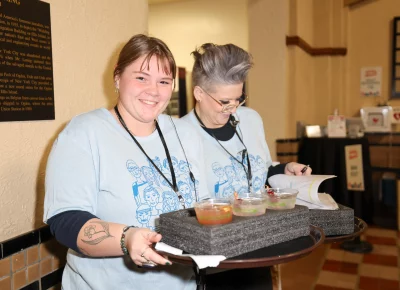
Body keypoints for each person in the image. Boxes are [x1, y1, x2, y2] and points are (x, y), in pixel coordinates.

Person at [43, 34, 208, 290]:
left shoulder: (184, 134)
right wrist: (126, 237)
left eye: (163, 81)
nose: (153, 91)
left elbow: (203, 206)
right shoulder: (84, 133)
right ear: (117, 77)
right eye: (141, 77)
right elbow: (65, 220)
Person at [182, 43, 312, 290]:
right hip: (214, 262)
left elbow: (260, 167)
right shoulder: (179, 135)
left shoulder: (251, 120)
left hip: (259, 249)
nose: (232, 109)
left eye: (238, 99)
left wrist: (283, 169)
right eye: (224, 101)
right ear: (199, 93)